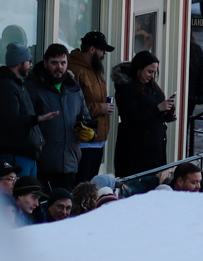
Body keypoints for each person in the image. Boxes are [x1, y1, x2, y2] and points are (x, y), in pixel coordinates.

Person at [26, 43, 89, 191]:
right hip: (43, 163)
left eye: (63, 63)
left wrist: (87, 130)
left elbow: (85, 115)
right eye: (54, 63)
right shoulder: (33, 88)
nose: (59, 67)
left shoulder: (74, 88)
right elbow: (25, 121)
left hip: (71, 162)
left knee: (65, 209)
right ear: (46, 63)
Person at [112, 51, 175, 180]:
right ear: (139, 69)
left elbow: (152, 109)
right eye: (149, 72)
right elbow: (131, 117)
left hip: (155, 148)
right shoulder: (126, 88)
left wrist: (166, 112)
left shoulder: (151, 86)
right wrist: (157, 108)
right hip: (135, 150)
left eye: (154, 72)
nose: (152, 76)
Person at [0, 42, 43, 179]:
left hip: (26, 154)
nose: (31, 65)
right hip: (15, 154)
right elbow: (11, 118)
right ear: (19, 62)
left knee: (28, 195)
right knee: (17, 195)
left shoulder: (18, 85)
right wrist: (37, 119)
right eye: (29, 61)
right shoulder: (6, 86)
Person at [68, 31, 115, 180]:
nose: (104, 55)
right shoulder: (75, 71)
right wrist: (101, 108)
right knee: (82, 185)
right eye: (102, 51)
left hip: (97, 140)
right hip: (83, 142)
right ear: (92, 50)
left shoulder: (94, 70)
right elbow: (73, 107)